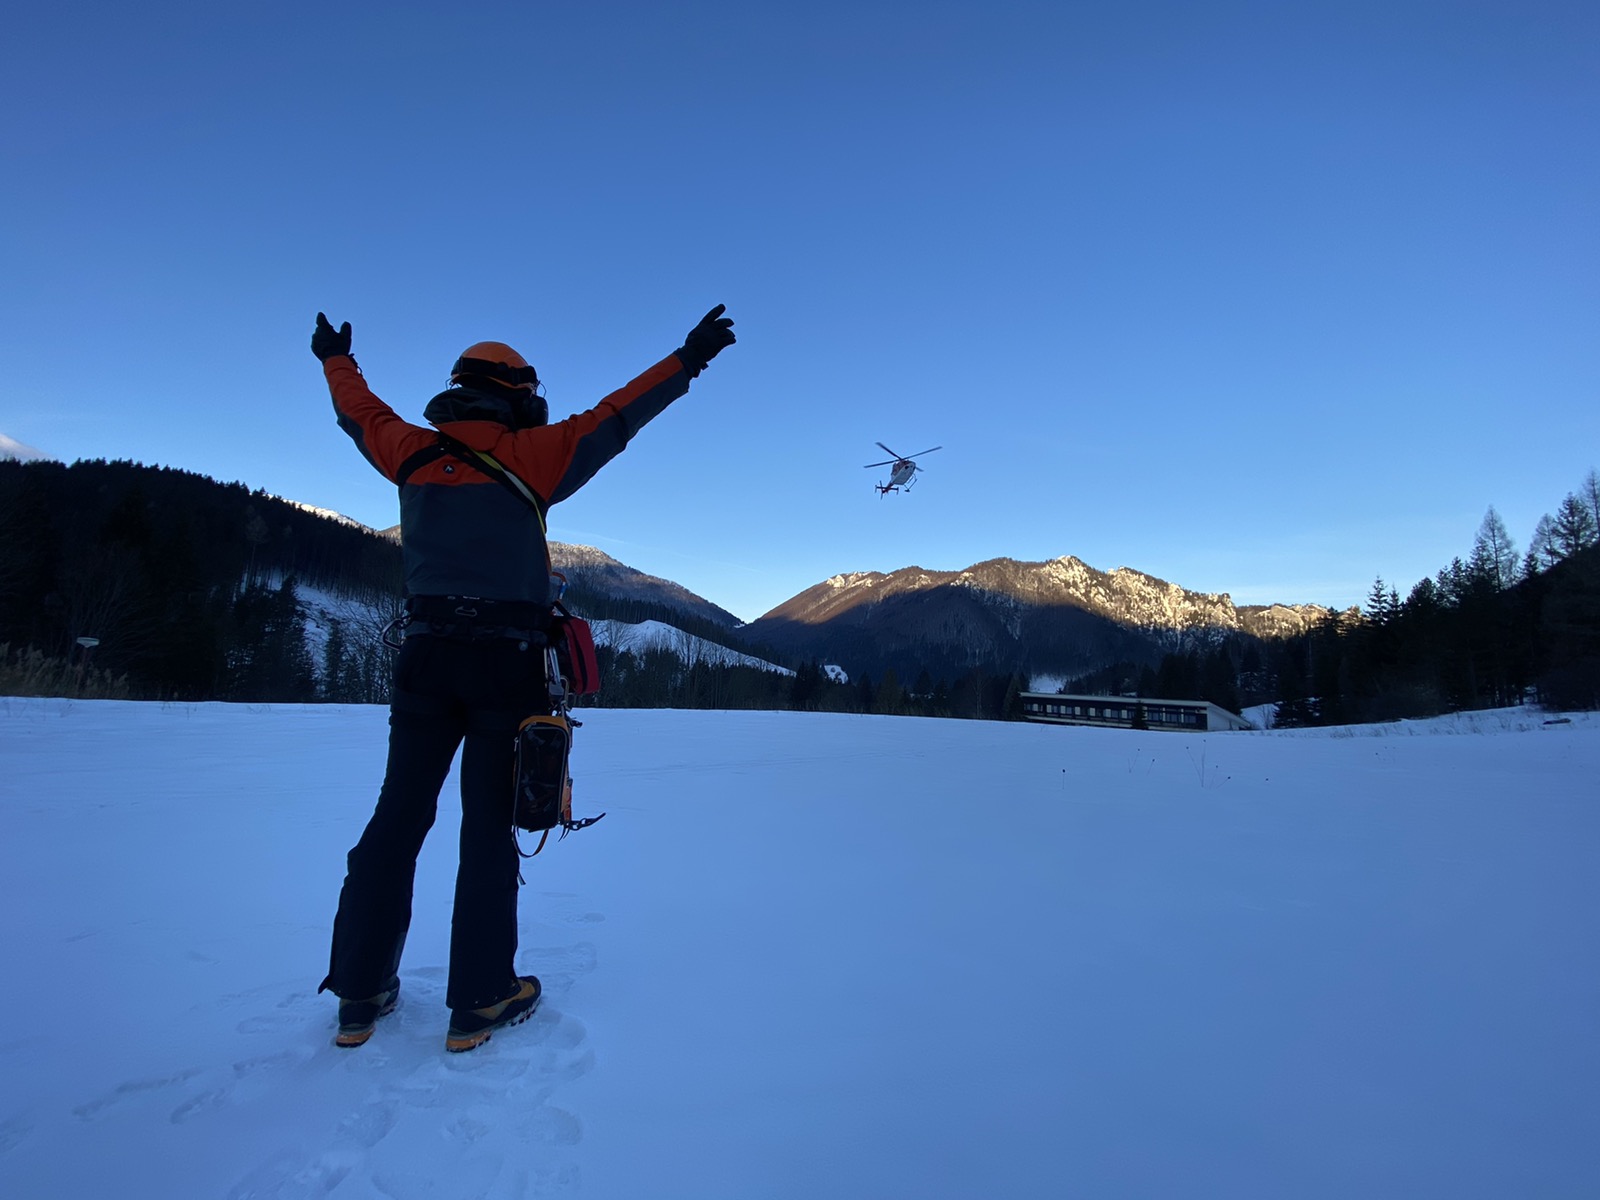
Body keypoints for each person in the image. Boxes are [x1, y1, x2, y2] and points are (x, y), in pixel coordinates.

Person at [310, 304, 736, 1051]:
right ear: (517, 393)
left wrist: (333, 360)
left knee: (395, 822)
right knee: (487, 831)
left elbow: (359, 412)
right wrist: (688, 359)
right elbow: (618, 415)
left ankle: (359, 993)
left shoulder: (409, 451)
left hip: (424, 659)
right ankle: (480, 1000)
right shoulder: (536, 455)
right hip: (507, 667)